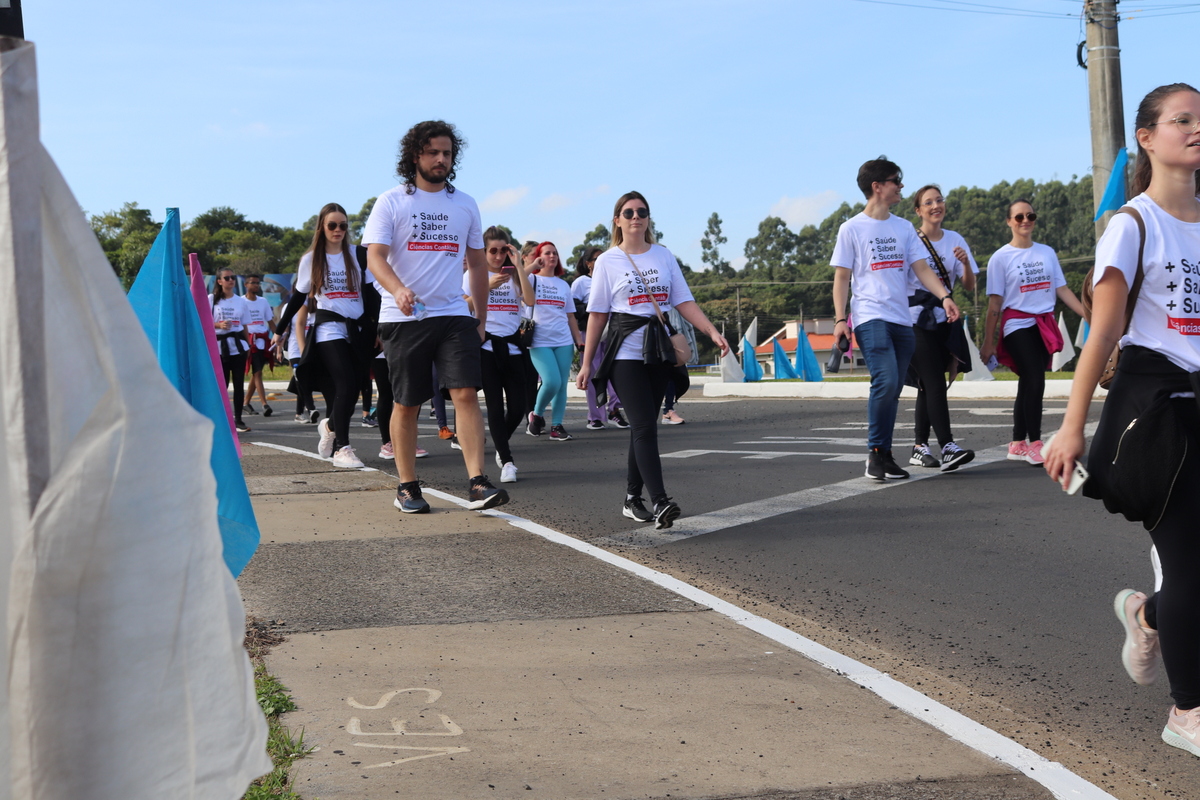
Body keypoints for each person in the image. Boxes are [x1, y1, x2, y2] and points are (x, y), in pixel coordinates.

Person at [1044, 82, 1200, 760]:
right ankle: (1188, 710)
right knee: (1191, 564)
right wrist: (1072, 428)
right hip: (1157, 407)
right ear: (1147, 137)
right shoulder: (1132, 225)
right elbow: (1102, 335)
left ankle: (1145, 613)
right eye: (1182, 120)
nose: (1195, 129)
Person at [363, 119, 507, 513]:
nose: (441, 159)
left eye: (447, 153)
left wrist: (480, 318)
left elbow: (478, 265)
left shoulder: (465, 204)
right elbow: (374, 256)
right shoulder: (391, 201)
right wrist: (397, 289)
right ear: (415, 156)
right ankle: (407, 487)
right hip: (403, 316)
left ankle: (477, 482)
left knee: (464, 393)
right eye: (433, 152)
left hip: (453, 314)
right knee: (406, 403)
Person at [577, 191, 729, 530]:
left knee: (644, 426)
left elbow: (683, 301)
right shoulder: (608, 261)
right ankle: (660, 501)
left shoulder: (663, 255)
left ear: (648, 218)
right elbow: (598, 316)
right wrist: (587, 363)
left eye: (642, 211)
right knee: (644, 426)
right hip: (625, 354)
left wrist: (711, 332)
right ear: (617, 220)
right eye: (628, 212)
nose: (636, 217)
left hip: (660, 350)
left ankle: (632, 498)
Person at [831, 157, 962, 481]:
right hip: (870, 316)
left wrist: (945, 296)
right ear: (877, 187)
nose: (901, 185)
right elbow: (842, 278)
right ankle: (875, 453)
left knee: (893, 390)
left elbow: (921, 269)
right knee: (886, 380)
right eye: (895, 180)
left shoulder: (903, 227)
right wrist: (838, 319)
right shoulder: (851, 229)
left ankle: (885, 454)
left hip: (903, 320)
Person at [979, 199, 1086, 466]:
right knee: (1035, 379)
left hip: (1043, 324)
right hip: (1016, 324)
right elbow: (995, 304)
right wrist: (988, 342)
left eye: (1030, 216)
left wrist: (1089, 314)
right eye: (1018, 217)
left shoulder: (1047, 252)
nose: (1025, 220)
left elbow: (1062, 289)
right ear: (1009, 222)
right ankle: (1036, 442)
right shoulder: (1000, 258)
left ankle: (1017, 443)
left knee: (1028, 382)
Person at [273, 203, 371, 469]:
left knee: (354, 391)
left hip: (358, 329)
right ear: (322, 227)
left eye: (343, 225)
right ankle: (342, 449)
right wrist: (279, 330)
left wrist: (377, 329)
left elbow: (372, 295)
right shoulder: (311, 259)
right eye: (332, 225)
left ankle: (329, 425)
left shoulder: (359, 255)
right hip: (328, 329)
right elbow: (298, 298)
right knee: (346, 383)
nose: (338, 230)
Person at [906, 185, 977, 471]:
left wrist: (965, 264)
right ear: (918, 210)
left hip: (944, 318)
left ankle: (919, 447)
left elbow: (969, 285)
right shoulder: (910, 239)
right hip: (914, 319)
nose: (936, 205)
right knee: (934, 381)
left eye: (939, 200)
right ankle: (947, 446)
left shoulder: (955, 239)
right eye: (929, 202)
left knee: (929, 385)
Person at [467, 227, 533, 481]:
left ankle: (498, 442)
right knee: (494, 406)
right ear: (484, 251)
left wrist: (519, 267)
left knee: (518, 407)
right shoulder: (473, 275)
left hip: (513, 348)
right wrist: (484, 287)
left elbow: (530, 300)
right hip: (486, 348)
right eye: (492, 250)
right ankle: (507, 461)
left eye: (503, 250)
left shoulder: (515, 276)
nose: (497, 256)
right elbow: (462, 304)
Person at [525, 241, 584, 441]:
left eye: (555, 253)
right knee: (551, 381)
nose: (552, 256)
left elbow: (570, 316)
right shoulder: (531, 278)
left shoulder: (563, 284)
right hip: (539, 340)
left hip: (563, 341)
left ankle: (557, 426)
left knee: (561, 385)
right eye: (547, 253)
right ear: (539, 256)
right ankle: (537, 414)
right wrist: (533, 265)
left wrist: (578, 340)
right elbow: (515, 280)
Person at [573, 245, 628, 431]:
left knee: (616, 371)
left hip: (613, 330)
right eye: (596, 259)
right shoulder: (581, 282)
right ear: (588, 263)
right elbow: (573, 308)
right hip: (591, 331)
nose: (600, 261)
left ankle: (615, 411)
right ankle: (595, 416)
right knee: (592, 373)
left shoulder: (612, 277)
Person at [211, 268, 253, 433]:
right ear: (219, 281)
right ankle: (221, 419)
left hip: (237, 346)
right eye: (226, 278)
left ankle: (238, 420)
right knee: (222, 385)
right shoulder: (212, 299)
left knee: (238, 383)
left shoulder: (240, 301)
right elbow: (202, 320)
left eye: (232, 278)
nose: (230, 280)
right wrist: (218, 325)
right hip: (219, 347)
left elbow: (244, 325)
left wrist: (248, 345)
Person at [241, 274, 276, 418]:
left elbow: (270, 321)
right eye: (253, 283)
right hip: (250, 340)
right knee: (258, 373)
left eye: (258, 283)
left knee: (257, 371)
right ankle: (264, 404)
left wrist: (278, 337)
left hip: (263, 340)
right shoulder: (241, 302)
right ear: (246, 285)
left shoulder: (263, 302)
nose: (256, 285)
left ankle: (245, 403)